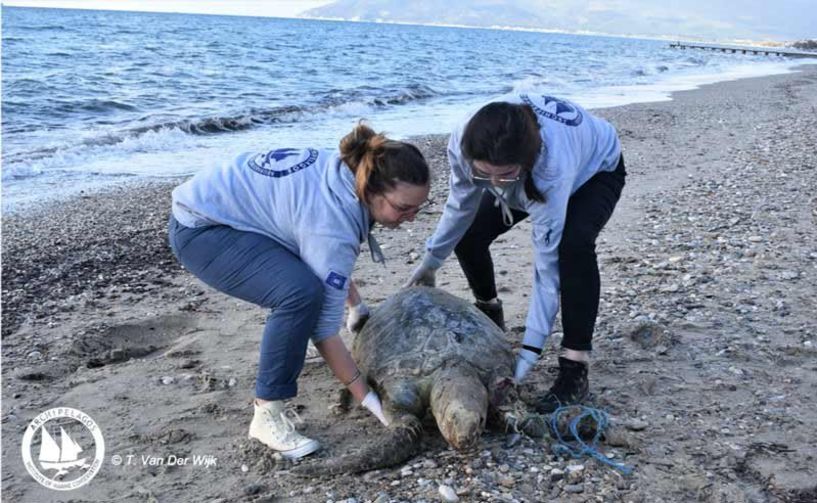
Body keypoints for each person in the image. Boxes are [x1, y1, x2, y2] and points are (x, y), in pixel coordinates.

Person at [168, 122, 431, 459]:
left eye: (417, 208)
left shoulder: (347, 170)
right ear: (370, 190)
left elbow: (319, 255)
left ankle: (272, 405)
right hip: (201, 228)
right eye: (402, 208)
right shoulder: (332, 223)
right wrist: (373, 403)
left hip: (226, 209)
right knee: (299, 295)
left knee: (309, 281)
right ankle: (267, 413)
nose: (411, 218)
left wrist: (356, 307)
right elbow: (322, 329)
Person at [405, 93, 625, 413]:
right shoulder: (465, 139)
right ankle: (490, 318)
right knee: (469, 233)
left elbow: (546, 274)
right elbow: (460, 206)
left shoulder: (551, 168)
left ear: (524, 163)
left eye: (504, 175)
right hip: (523, 171)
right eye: (483, 174)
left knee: (572, 249)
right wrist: (431, 263)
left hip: (595, 170)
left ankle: (575, 367)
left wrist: (527, 357)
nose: (493, 184)